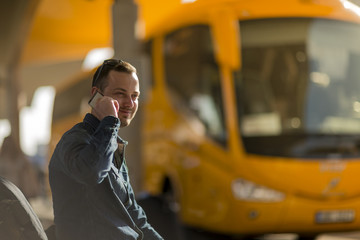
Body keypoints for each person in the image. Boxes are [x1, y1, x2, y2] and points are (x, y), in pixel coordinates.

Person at [48, 59, 164, 240]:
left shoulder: (111, 143)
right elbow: (92, 172)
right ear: (97, 95)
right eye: (120, 94)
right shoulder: (73, 140)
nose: (130, 103)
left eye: (135, 96)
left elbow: (136, 217)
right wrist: (110, 121)